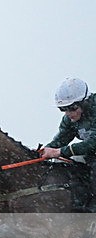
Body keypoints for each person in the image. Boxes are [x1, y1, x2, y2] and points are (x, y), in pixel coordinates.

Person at [40, 77, 96, 211]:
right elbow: (60, 140)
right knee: (71, 168)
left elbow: (93, 143)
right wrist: (45, 151)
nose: (68, 113)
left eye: (72, 108)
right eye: (63, 109)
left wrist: (59, 152)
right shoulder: (69, 119)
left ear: (84, 102)